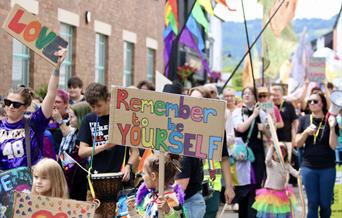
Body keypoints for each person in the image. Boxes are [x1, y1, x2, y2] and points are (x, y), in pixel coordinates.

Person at [78, 83, 139, 218]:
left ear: (108, 99)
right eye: (92, 106)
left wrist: (128, 167)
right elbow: (82, 152)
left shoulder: (122, 118)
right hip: (95, 184)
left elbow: (135, 152)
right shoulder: (89, 119)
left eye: (99, 105)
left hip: (119, 182)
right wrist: (105, 146)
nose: (96, 109)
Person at [0, 48, 67, 170]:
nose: (10, 106)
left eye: (15, 104)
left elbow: (51, 94)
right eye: (8, 102)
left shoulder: (34, 122)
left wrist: (56, 67)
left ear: (25, 107)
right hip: (4, 185)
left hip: (32, 184)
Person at [175, 86, 235, 218]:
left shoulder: (217, 128)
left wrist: (229, 187)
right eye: (192, 100)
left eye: (199, 100)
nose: (195, 104)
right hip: (188, 184)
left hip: (211, 180)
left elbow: (224, 158)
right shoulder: (180, 125)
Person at [296, 92, 338, 218]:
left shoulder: (330, 119)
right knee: (312, 203)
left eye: (315, 101)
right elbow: (297, 144)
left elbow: (333, 146)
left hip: (327, 167)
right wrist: (305, 133)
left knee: (325, 204)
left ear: (322, 103)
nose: (312, 103)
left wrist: (332, 127)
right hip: (308, 167)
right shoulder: (304, 119)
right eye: (310, 101)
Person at [232, 86, 267, 218]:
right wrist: (254, 115)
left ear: (255, 97)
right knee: (243, 188)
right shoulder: (237, 112)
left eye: (250, 93)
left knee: (255, 187)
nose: (247, 95)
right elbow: (240, 128)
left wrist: (266, 126)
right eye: (244, 93)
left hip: (257, 153)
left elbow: (269, 133)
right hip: (242, 154)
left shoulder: (262, 113)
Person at [127, 153, 185, 218]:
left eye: (144, 173)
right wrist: (132, 211)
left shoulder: (172, 199)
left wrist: (168, 211)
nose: (143, 177)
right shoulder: (150, 197)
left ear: (153, 176)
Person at [252, 144, 298, 217]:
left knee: (280, 213)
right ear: (273, 154)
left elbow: (294, 172)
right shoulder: (271, 164)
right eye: (277, 153)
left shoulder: (286, 165)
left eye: (282, 153)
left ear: (285, 155)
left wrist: (299, 174)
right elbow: (267, 159)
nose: (279, 155)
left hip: (281, 193)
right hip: (270, 194)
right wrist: (271, 148)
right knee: (270, 214)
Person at [58, 101, 91, 201]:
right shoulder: (72, 132)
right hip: (69, 176)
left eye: (72, 116)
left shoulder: (88, 136)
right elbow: (62, 151)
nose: (69, 119)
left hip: (82, 180)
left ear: (81, 117)